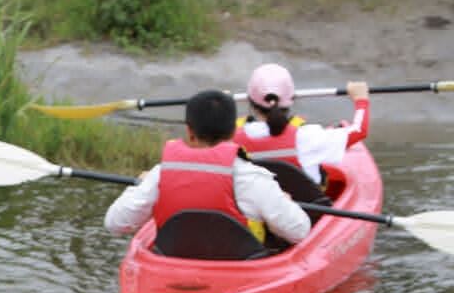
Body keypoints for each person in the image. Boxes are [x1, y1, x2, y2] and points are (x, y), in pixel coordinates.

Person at [104, 88, 311, 249]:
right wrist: (284, 201)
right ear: (233, 132)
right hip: (238, 270)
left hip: (174, 267)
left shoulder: (161, 174)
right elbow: (300, 231)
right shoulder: (253, 178)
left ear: (189, 131)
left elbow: (114, 223)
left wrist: (142, 184)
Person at [235, 63, 370, 184]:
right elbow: (359, 130)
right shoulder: (307, 136)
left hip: (253, 209)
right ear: (291, 99)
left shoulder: (230, 137)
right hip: (305, 210)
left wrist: (218, 106)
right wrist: (361, 99)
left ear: (251, 102)